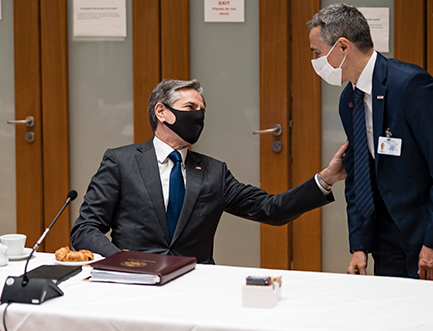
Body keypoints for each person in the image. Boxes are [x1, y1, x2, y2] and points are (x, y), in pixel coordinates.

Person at [308, 3, 433, 282]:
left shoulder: (411, 85)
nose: (314, 61)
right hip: (388, 236)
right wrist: (359, 246)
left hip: (432, 230)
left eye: (316, 53)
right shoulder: (348, 101)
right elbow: (359, 177)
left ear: (342, 47)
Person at [71, 79, 347, 263]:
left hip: (197, 284)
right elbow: (85, 228)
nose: (198, 116)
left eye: (202, 110)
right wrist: (122, 261)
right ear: (161, 112)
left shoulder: (214, 172)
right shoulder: (121, 162)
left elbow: (271, 209)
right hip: (133, 282)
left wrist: (326, 179)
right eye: (190, 107)